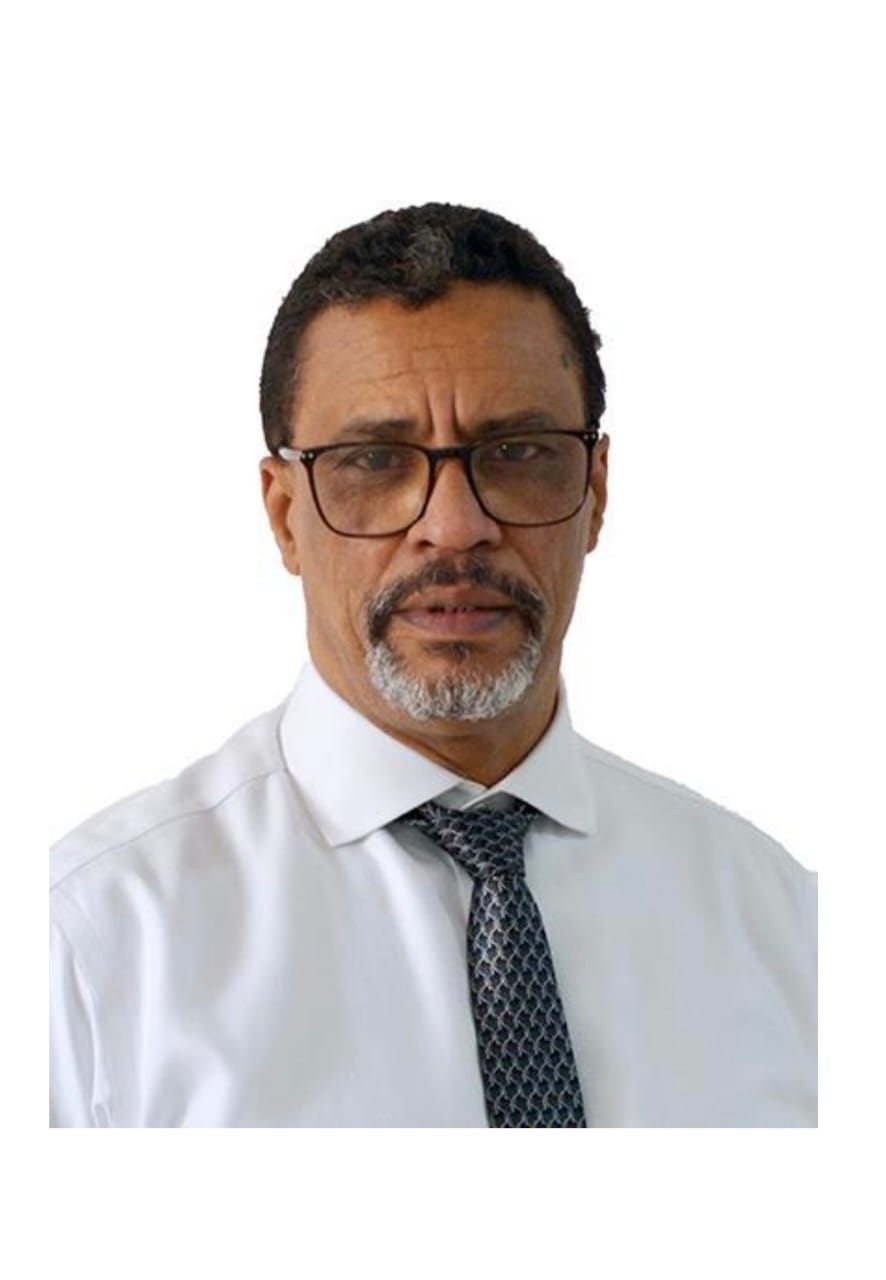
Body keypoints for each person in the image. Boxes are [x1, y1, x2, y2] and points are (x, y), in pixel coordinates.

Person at [49, 202, 817, 1128]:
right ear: (285, 515)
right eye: (375, 460)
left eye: (518, 452)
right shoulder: (89, 947)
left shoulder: (783, 922)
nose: (454, 527)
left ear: (596, 491)